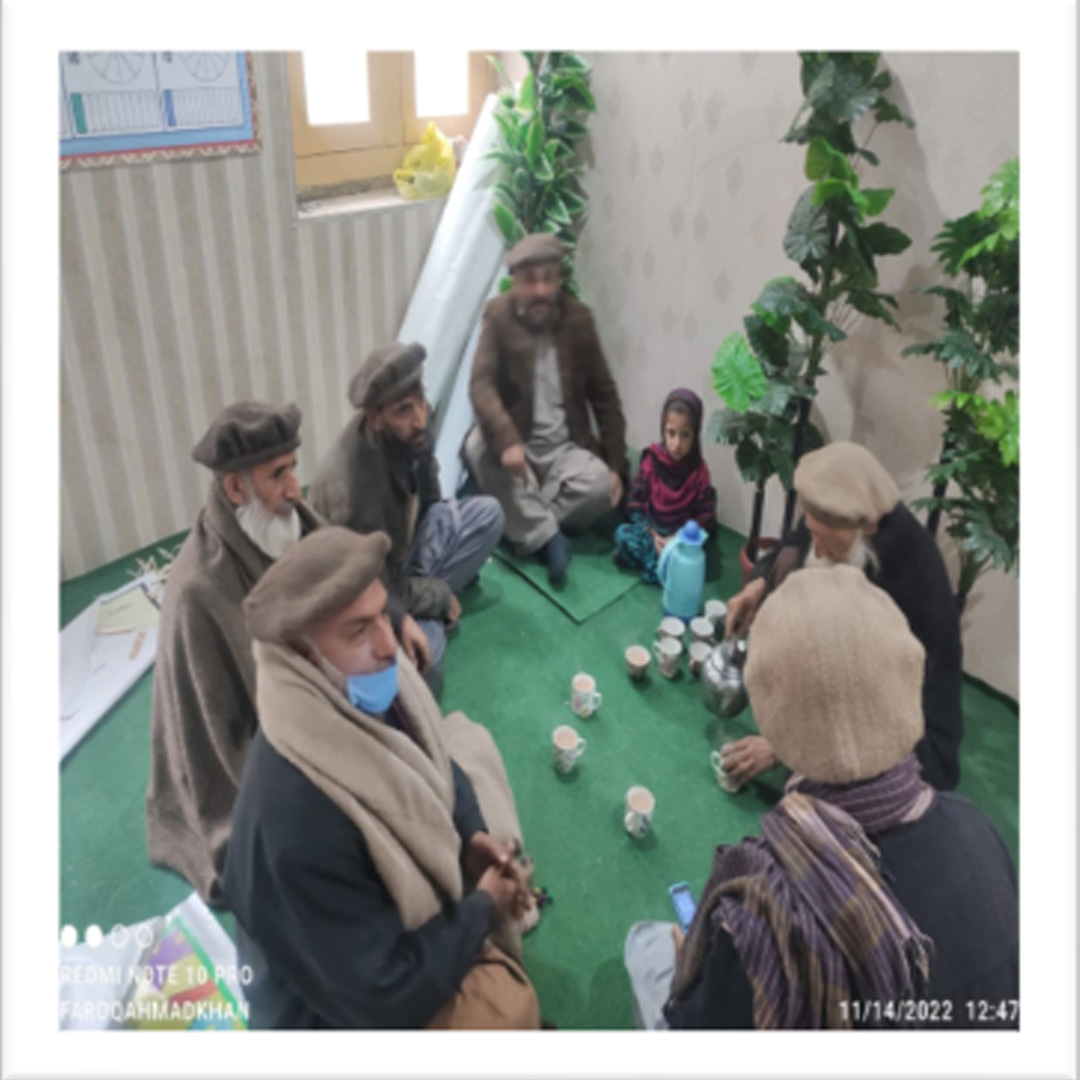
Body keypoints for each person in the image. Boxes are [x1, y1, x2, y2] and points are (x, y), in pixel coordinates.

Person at [625, 567, 1018, 1030]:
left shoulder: (763, 914)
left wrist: (689, 962)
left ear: (772, 716)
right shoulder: (977, 825)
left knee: (646, 944)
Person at [223, 527, 541, 1029]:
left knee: (469, 743)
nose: (389, 644)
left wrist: (472, 834)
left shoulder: (353, 683)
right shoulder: (295, 823)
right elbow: (382, 995)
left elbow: (435, 763)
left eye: (383, 615)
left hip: (379, 938)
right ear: (301, 651)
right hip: (339, 1010)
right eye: (358, 629)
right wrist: (481, 909)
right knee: (509, 1008)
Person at [146, 401, 433, 903]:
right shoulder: (200, 590)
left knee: (422, 658)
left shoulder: (290, 519)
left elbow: (350, 570)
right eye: (278, 474)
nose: (295, 489)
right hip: (266, 739)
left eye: (293, 467)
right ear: (236, 488)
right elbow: (221, 740)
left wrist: (398, 617)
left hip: (322, 683)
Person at [721, 441, 964, 791]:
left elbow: (872, 697)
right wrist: (758, 584)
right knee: (790, 563)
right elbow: (796, 542)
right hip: (857, 687)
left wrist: (786, 745)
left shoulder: (914, 578)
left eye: (827, 541)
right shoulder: (839, 516)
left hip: (911, 738)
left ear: (866, 530)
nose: (816, 548)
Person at [309, 341, 504, 689]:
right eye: (403, 410)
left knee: (489, 515)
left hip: (402, 554)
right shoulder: (352, 492)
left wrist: (432, 567)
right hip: (361, 589)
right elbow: (372, 585)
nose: (419, 419)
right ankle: (431, 607)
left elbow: (431, 504)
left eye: (420, 401)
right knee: (429, 662)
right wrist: (436, 597)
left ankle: (431, 598)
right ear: (375, 418)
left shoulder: (411, 432)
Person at [464, 233, 629, 585]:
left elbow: (605, 395)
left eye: (547, 279)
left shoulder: (580, 320)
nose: (539, 290)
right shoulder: (498, 315)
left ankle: (524, 520)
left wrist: (616, 464)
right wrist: (507, 439)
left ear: (558, 279)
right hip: (516, 445)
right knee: (477, 447)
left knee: (600, 486)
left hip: (563, 450)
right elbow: (481, 384)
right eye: (529, 280)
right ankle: (548, 537)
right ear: (516, 282)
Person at [614, 387, 717, 583]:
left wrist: (677, 538)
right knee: (623, 535)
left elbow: (705, 516)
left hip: (679, 538)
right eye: (671, 433)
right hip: (650, 532)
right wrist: (653, 535)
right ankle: (662, 567)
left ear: (696, 436)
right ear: (663, 429)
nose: (676, 444)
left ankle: (660, 566)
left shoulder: (699, 472)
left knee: (695, 551)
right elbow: (635, 502)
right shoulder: (652, 460)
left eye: (685, 435)